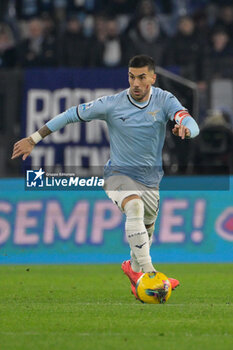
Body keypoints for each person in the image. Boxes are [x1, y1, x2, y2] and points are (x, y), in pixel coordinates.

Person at [11, 55, 199, 299]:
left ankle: (134, 270)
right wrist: (34, 138)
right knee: (134, 206)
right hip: (117, 174)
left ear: (153, 78)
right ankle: (152, 275)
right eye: (132, 77)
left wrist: (186, 130)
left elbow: (191, 123)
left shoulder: (165, 100)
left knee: (146, 229)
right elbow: (70, 114)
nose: (136, 83)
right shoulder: (112, 103)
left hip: (151, 180)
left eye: (142, 77)